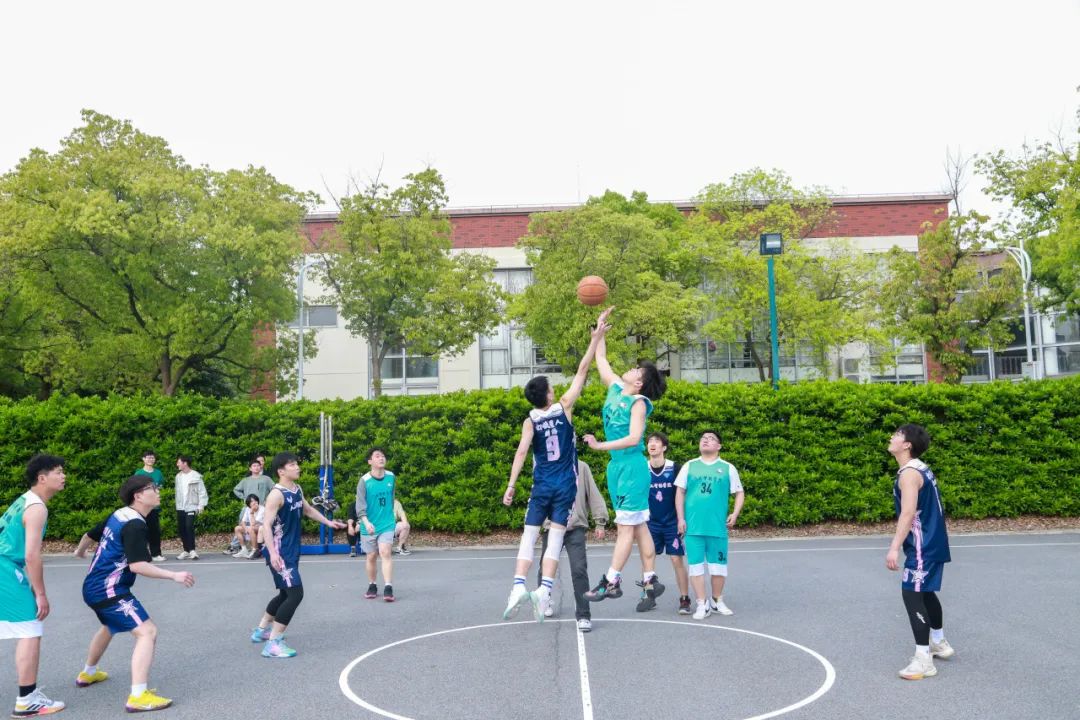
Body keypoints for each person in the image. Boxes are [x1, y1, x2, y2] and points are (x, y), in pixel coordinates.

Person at [502, 308, 610, 622]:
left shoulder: (530, 420)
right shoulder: (564, 407)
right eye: (551, 387)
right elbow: (583, 369)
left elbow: (521, 453)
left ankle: (518, 587)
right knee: (557, 537)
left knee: (529, 536)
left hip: (542, 485)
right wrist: (595, 339)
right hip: (564, 487)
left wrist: (511, 485)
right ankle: (544, 589)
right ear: (548, 395)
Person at [78, 475, 196, 713]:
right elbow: (138, 566)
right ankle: (138, 696)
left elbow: (90, 535)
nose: (158, 491)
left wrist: (79, 551)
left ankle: (88, 673)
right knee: (147, 632)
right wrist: (174, 575)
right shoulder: (135, 524)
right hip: (109, 590)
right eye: (153, 488)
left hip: (93, 587)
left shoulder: (119, 514)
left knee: (110, 625)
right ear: (138, 495)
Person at [582, 310, 668, 606]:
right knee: (639, 525)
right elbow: (601, 359)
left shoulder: (639, 403)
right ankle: (650, 579)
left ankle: (611, 581)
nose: (631, 369)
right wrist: (599, 332)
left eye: (636, 369)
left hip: (631, 466)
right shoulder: (616, 387)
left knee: (625, 528)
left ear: (640, 383)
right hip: (617, 468)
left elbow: (633, 438)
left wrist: (599, 445)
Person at [251, 452, 345, 658]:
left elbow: (308, 510)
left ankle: (261, 630)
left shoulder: (296, 489)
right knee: (296, 594)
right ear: (281, 471)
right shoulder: (276, 495)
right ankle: (273, 643)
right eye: (292, 465)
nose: (297, 467)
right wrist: (273, 554)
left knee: (285, 594)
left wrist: (328, 522)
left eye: (296, 464)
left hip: (291, 550)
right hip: (280, 552)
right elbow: (266, 525)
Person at [886, 423, 954, 681]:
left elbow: (907, 513)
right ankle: (938, 641)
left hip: (923, 546)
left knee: (912, 594)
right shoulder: (920, 467)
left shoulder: (909, 475)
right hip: (932, 542)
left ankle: (923, 660)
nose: (892, 437)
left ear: (907, 445)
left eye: (897, 435)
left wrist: (894, 547)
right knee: (924, 592)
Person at [1, 454, 67, 717]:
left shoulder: (24, 500)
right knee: (30, 627)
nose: (63, 476)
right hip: (5, 567)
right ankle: (27, 700)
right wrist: (40, 593)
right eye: (58, 472)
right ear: (42, 478)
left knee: (27, 628)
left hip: (7, 566)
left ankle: (28, 696)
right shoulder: (37, 507)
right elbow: (31, 556)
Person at [675, 429, 744, 620]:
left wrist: (735, 513)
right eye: (703, 438)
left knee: (718, 568)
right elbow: (679, 492)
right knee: (695, 567)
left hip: (717, 528)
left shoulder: (727, 468)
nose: (705, 440)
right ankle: (701, 603)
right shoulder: (690, 466)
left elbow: (739, 492)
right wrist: (680, 518)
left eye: (711, 438)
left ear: (719, 446)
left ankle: (716, 600)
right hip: (693, 528)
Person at [536, 459, 608, 632]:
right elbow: (539, 495)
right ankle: (543, 601)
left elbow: (593, 494)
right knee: (545, 568)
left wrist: (600, 521)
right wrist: (535, 523)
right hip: (552, 527)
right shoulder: (545, 465)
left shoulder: (582, 467)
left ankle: (584, 615)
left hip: (575, 528)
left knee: (579, 569)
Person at [645, 432, 690, 614]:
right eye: (649, 441)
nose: (652, 444)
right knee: (648, 559)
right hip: (650, 523)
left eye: (656, 441)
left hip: (671, 522)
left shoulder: (674, 468)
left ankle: (685, 598)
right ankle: (648, 596)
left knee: (676, 559)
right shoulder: (643, 468)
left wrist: (682, 519)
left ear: (664, 447)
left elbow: (682, 494)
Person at [357, 448, 398, 601]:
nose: (381, 458)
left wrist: (391, 515)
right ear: (370, 461)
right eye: (377, 456)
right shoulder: (364, 481)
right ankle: (372, 584)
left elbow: (391, 498)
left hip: (387, 523)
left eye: (383, 456)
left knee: (385, 552)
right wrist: (366, 522)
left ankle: (388, 587)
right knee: (371, 556)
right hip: (369, 524)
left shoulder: (391, 477)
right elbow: (360, 506)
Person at [226, 459, 274, 554]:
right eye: (254, 466)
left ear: (261, 467)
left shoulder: (266, 479)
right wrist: (244, 498)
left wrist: (267, 500)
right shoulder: (246, 480)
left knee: (259, 527)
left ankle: (258, 548)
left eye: (258, 465)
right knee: (242, 526)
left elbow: (274, 489)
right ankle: (240, 547)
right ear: (250, 468)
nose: (256, 467)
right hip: (247, 508)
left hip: (261, 508)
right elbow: (236, 489)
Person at [174, 456, 207, 561]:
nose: (177, 464)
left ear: (185, 463)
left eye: (179, 462)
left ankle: (192, 550)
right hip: (180, 506)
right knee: (182, 528)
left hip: (192, 505)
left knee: (189, 526)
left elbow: (202, 491)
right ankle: (186, 550)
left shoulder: (196, 476)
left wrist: (201, 505)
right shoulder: (178, 476)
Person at [133, 451, 165, 562]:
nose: (151, 459)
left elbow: (161, 485)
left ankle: (156, 554)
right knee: (140, 530)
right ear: (143, 459)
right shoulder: (139, 473)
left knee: (154, 531)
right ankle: (140, 554)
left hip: (153, 506)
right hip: (142, 507)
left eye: (152, 458)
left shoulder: (158, 473)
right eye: (148, 457)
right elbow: (135, 488)